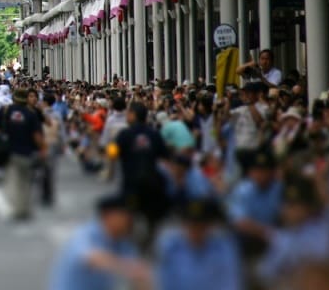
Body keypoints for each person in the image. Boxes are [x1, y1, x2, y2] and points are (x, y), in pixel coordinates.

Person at [48, 194, 150, 290]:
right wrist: (126, 267)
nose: (131, 220)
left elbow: (138, 272)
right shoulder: (84, 234)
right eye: (127, 215)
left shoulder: (123, 241)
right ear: (109, 216)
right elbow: (91, 258)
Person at [155, 198, 243, 290]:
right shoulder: (171, 249)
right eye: (192, 225)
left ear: (209, 226)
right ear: (183, 225)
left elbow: (229, 284)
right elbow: (165, 284)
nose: (196, 230)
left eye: (201, 226)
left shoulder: (223, 249)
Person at [114, 101, 170, 243]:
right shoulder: (154, 134)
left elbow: (113, 152)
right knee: (151, 213)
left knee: (128, 212)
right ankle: (150, 237)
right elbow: (165, 154)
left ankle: (130, 240)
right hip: (151, 180)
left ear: (133, 115)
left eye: (128, 113)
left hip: (131, 182)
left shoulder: (125, 134)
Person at [0, 88, 45, 221]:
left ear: (13, 98)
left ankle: (17, 209)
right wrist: (43, 150)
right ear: (26, 98)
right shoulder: (30, 114)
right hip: (27, 152)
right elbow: (37, 136)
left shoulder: (5, 111)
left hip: (9, 152)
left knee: (13, 181)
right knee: (26, 182)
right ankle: (25, 208)